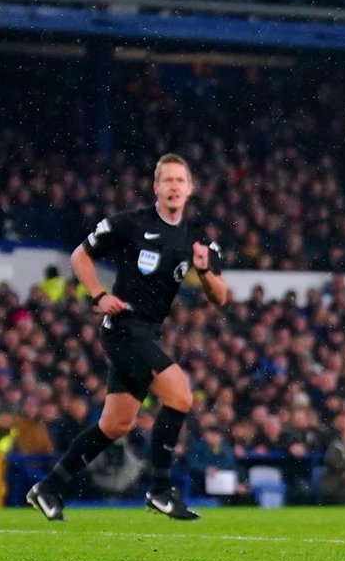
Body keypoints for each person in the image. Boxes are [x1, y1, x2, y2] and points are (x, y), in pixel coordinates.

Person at [27, 153, 228, 522]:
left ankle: (49, 487)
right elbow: (79, 257)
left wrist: (205, 272)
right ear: (155, 187)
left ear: (190, 189)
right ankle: (160, 490)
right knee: (181, 395)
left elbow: (221, 297)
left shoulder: (198, 239)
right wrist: (99, 296)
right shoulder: (131, 224)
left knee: (116, 425)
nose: (173, 187)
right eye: (166, 180)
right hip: (123, 328)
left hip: (148, 331)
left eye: (179, 181)